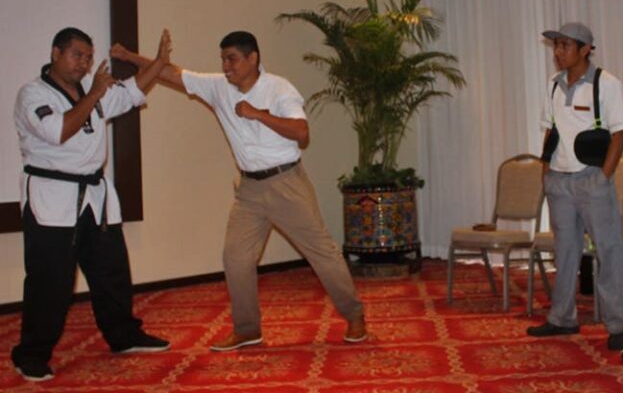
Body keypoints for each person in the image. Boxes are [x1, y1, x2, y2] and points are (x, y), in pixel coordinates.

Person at [110, 30, 367, 351]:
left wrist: (259, 114)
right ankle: (247, 329)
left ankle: (355, 316)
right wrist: (129, 57)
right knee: (236, 259)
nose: (226, 66)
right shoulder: (219, 87)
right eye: (223, 59)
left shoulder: (279, 88)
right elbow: (171, 74)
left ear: (252, 58)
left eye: (232, 59)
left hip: (286, 183)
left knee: (322, 254)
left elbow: (302, 133)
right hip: (249, 190)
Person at [11, 27, 172, 382]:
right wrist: (97, 92)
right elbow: (58, 131)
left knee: (111, 270)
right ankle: (32, 354)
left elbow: (130, 93)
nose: (83, 63)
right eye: (77, 55)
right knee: (51, 281)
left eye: (87, 57)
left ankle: (124, 335)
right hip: (52, 198)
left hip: (95, 196)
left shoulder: (89, 90)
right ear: (56, 53)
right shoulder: (33, 94)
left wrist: (159, 63)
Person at [527, 22, 623, 351]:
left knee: (609, 250)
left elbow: (620, 132)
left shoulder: (606, 83)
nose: (558, 52)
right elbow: (550, 129)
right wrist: (546, 172)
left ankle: (618, 324)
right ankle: (562, 318)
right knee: (565, 251)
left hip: (591, 178)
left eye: (565, 46)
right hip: (559, 181)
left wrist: (604, 175)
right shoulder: (553, 84)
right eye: (556, 45)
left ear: (585, 49)